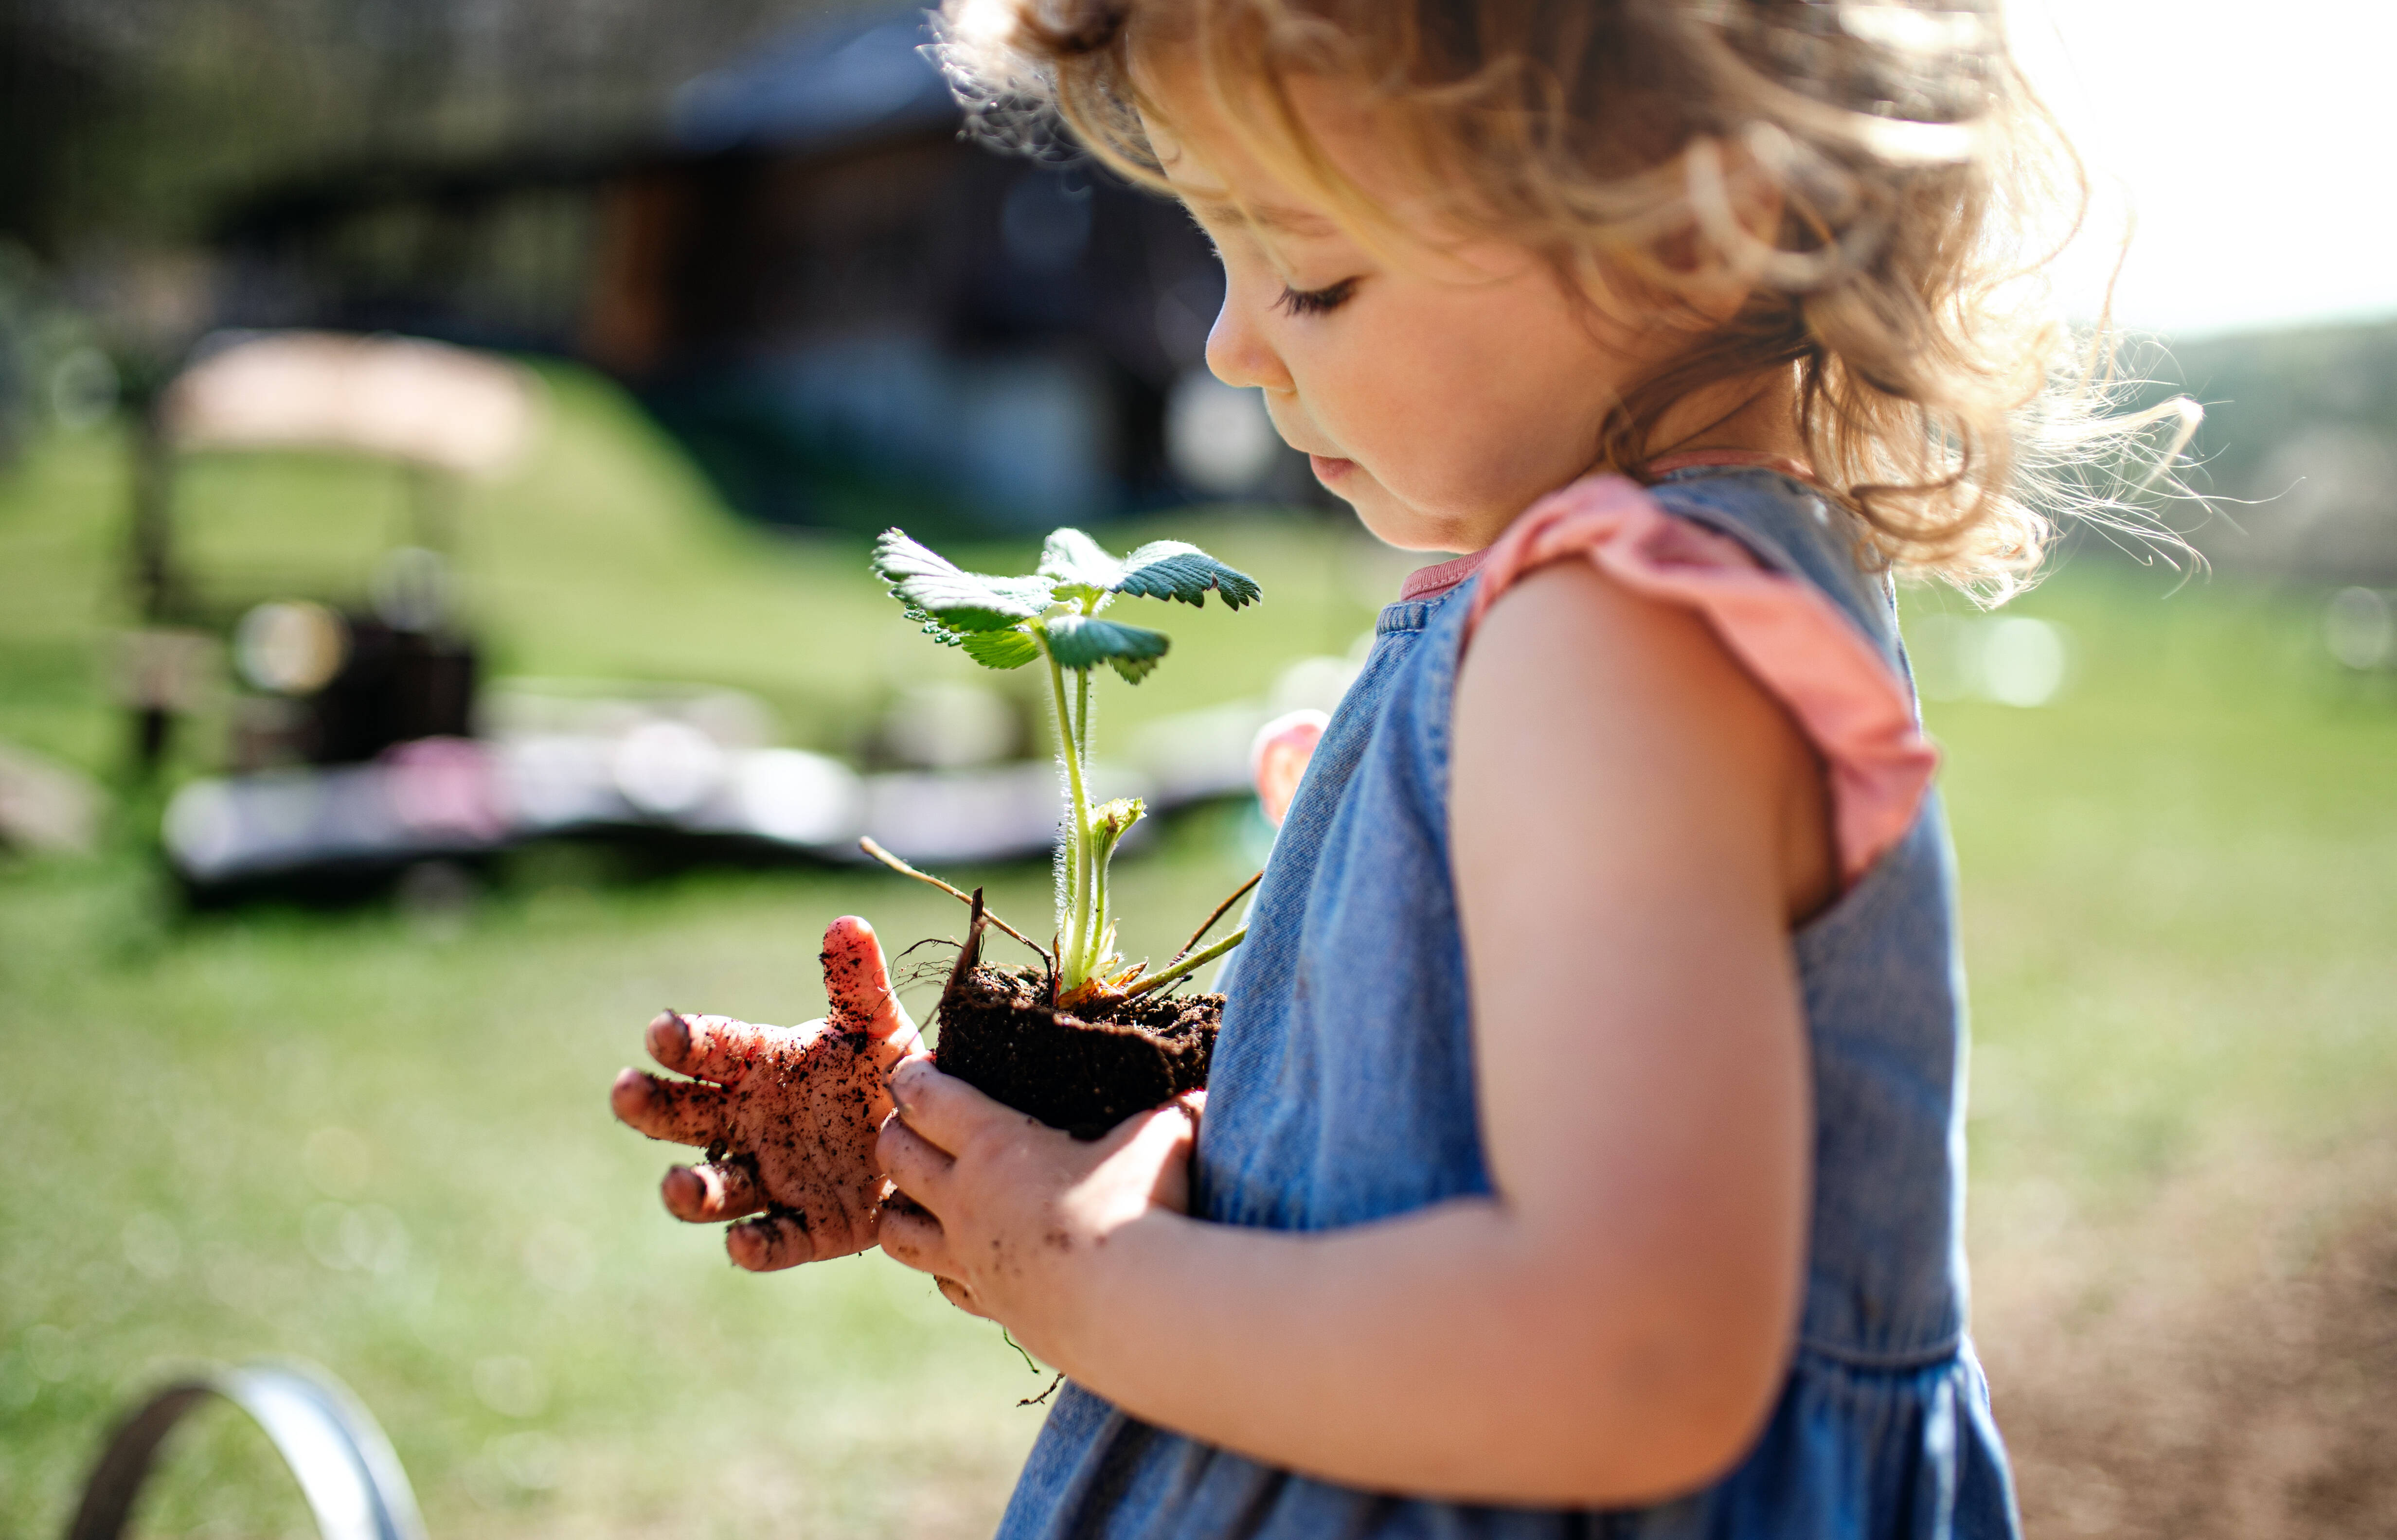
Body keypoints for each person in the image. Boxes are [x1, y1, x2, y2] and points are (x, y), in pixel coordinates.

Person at [613, 2, 2189, 1532]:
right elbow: (1393, 1177)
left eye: (1311, 273)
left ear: (1693, 215)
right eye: (1219, 252)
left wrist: (1092, 1278)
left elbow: (1627, 1358)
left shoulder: (1618, 641)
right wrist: (970, 1153)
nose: (1230, 344)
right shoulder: (1622, 612)